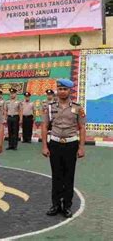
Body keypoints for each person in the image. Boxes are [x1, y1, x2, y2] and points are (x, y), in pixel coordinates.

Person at [42, 79, 86, 218]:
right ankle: (55, 205)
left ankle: (66, 206)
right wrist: (44, 146)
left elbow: (82, 128)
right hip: (54, 144)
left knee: (68, 176)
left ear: (70, 91)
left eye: (65, 89)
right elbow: (44, 126)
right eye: (60, 89)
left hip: (71, 145)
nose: (62, 91)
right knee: (56, 176)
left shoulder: (78, 108)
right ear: (57, 90)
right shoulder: (49, 107)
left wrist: (81, 147)